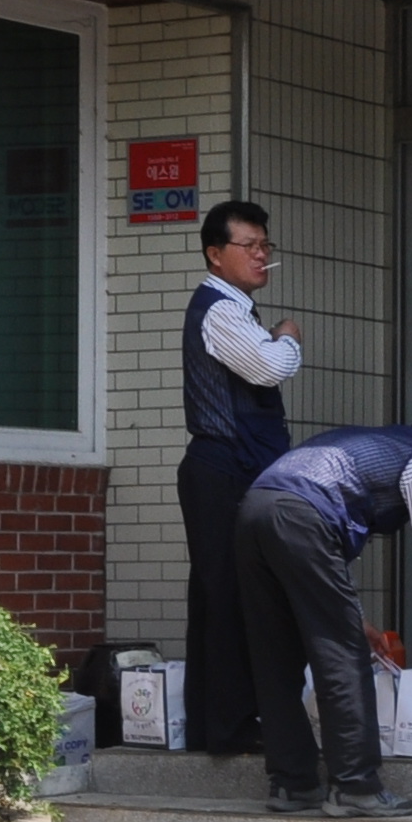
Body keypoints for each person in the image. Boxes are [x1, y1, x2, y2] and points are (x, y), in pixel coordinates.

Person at [232, 404, 412, 822]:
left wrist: (359, 619)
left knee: (275, 657)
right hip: (302, 515)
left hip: (254, 508)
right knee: (342, 657)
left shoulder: (372, 443)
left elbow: (327, 554)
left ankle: (292, 782)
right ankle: (355, 786)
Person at [178, 200, 299, 758]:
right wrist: (288, 337)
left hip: (234, 469)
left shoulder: (237, 310)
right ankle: (227, 727)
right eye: (248, 245)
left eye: (265, 245)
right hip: (222, 468)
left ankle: (217, 725)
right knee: (227, 597)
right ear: (214, 254)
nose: (260, 255)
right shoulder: (220, 310)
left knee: (221, 596)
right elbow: (270, 368)